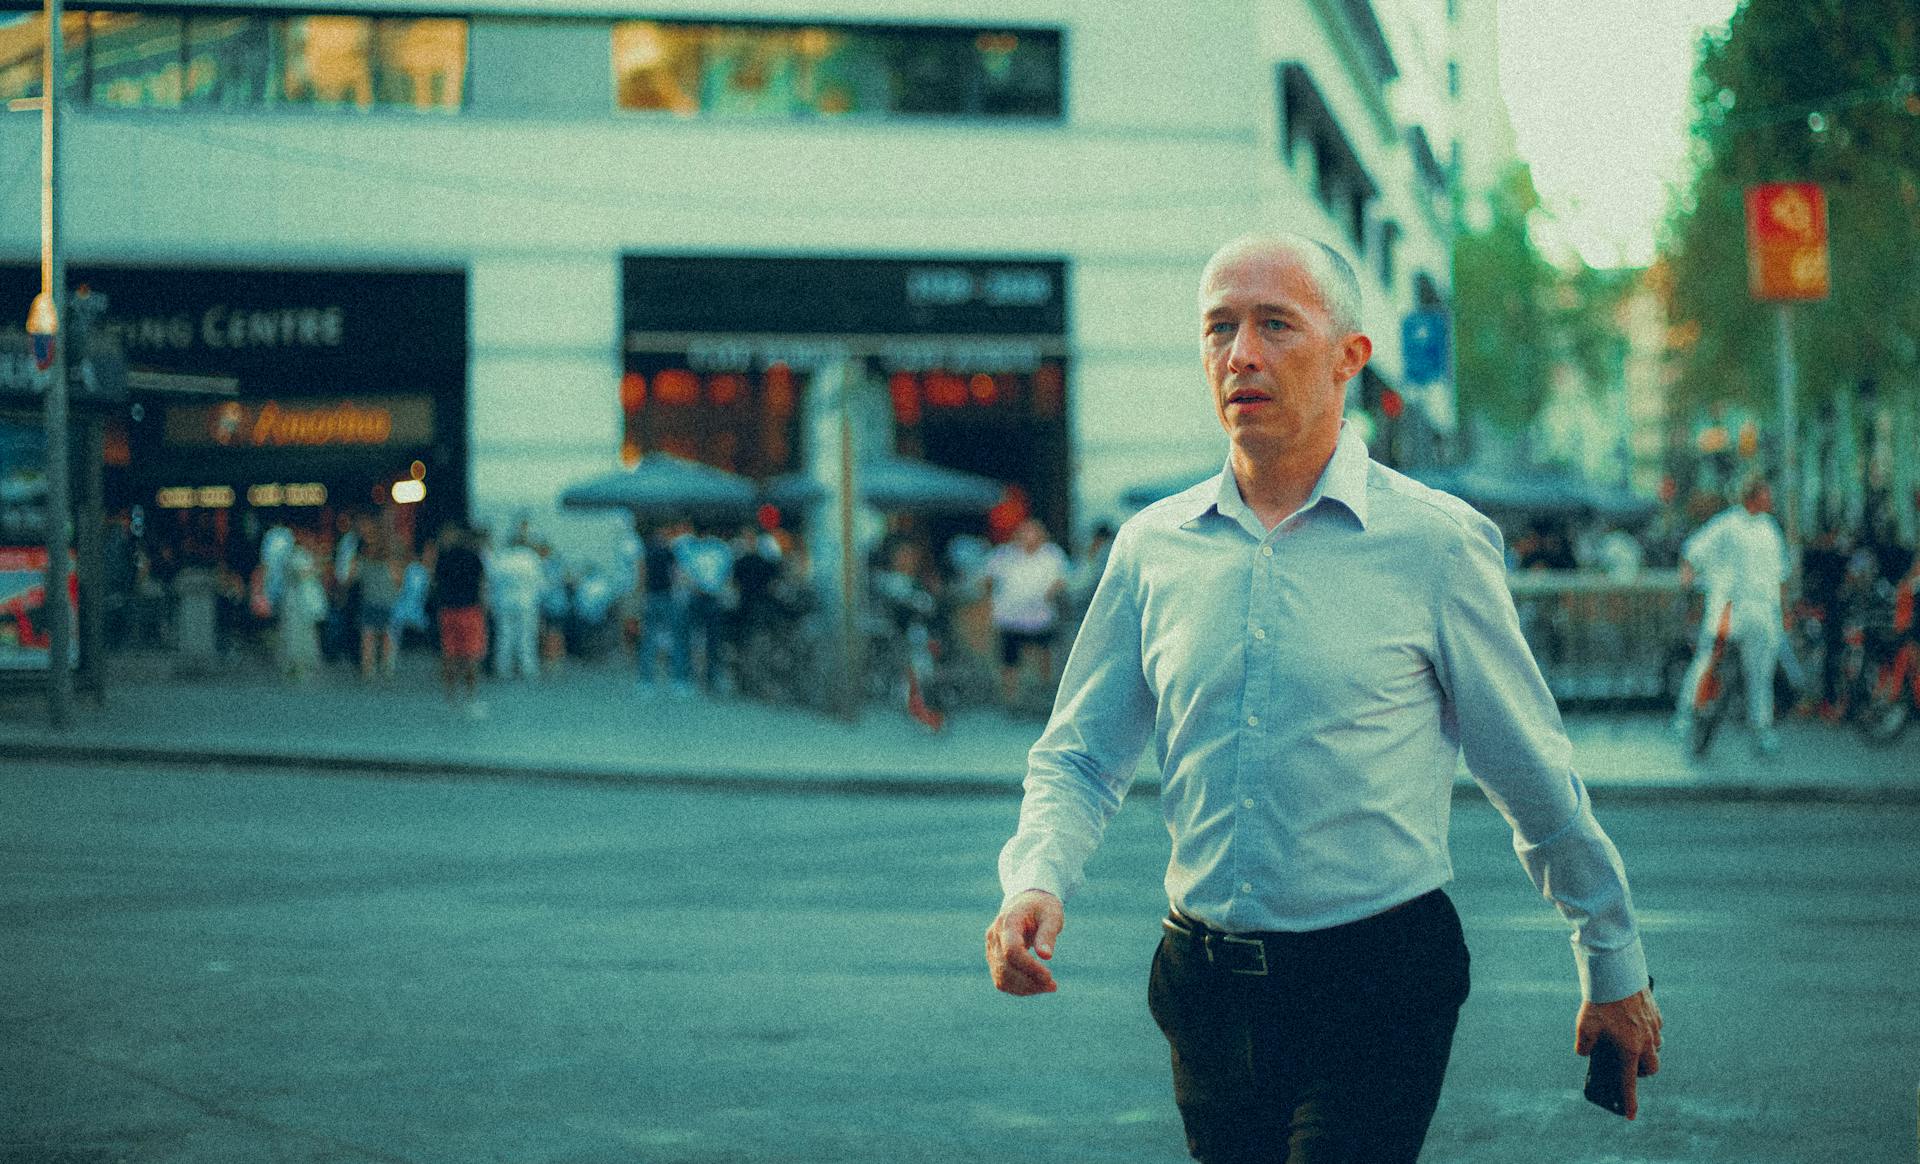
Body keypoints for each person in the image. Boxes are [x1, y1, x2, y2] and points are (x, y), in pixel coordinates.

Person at [984, 233, 1661, 1163]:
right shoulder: (1152, 549)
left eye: (1275, 325)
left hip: (1379, 982)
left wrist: (1612, 959)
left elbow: (1530, 770)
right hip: (1206, 989)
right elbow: (1079, 756)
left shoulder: (1435, 545)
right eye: (1219, 327)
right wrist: (1036, 878)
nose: (1241, 354)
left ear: (1350, 357)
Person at [1672, 475, 1789, 755]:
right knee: (1707, 662)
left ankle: (1762, 729)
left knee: (1760, 674)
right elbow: (1693, 550)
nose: (1770, 499)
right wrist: (1688, 580)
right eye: (1766, 494)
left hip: (1762, 613)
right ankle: (1686, 715)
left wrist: (1783, 610)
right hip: (1729, 610)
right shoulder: (1728, 524)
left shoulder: (1770, 529)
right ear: (1753, 495)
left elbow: (1780, 574)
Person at [984, 518, 1069, 710]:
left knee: (1045, 655)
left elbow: (1062, 580)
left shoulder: (1052, 554)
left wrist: (1047, 594)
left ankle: (1044, 692)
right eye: (1025, 533)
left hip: (1040, 616)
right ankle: (1011, 700)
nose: (1029, 537)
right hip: (1010, 617)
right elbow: (988, 580)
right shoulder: (1003, 555)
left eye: (1034, 533)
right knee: (1010, 660)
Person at [433, 524, 488, 713]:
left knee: (449, 653)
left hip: (448, 610)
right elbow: (482, 584)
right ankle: (471, 697)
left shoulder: (444, 557)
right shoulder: (474, 557)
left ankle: (449, 696)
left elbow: (435, 581)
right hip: (470, 610)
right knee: (471, 654)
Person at [488, 531, 543, 680]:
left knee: (504, 636)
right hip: (526, 602)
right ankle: (527, 668)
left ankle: (503, 668)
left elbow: (493, 581)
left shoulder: (501, 558)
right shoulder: (531, 558)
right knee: (526, 636)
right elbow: (540, 583)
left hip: (504, 602)